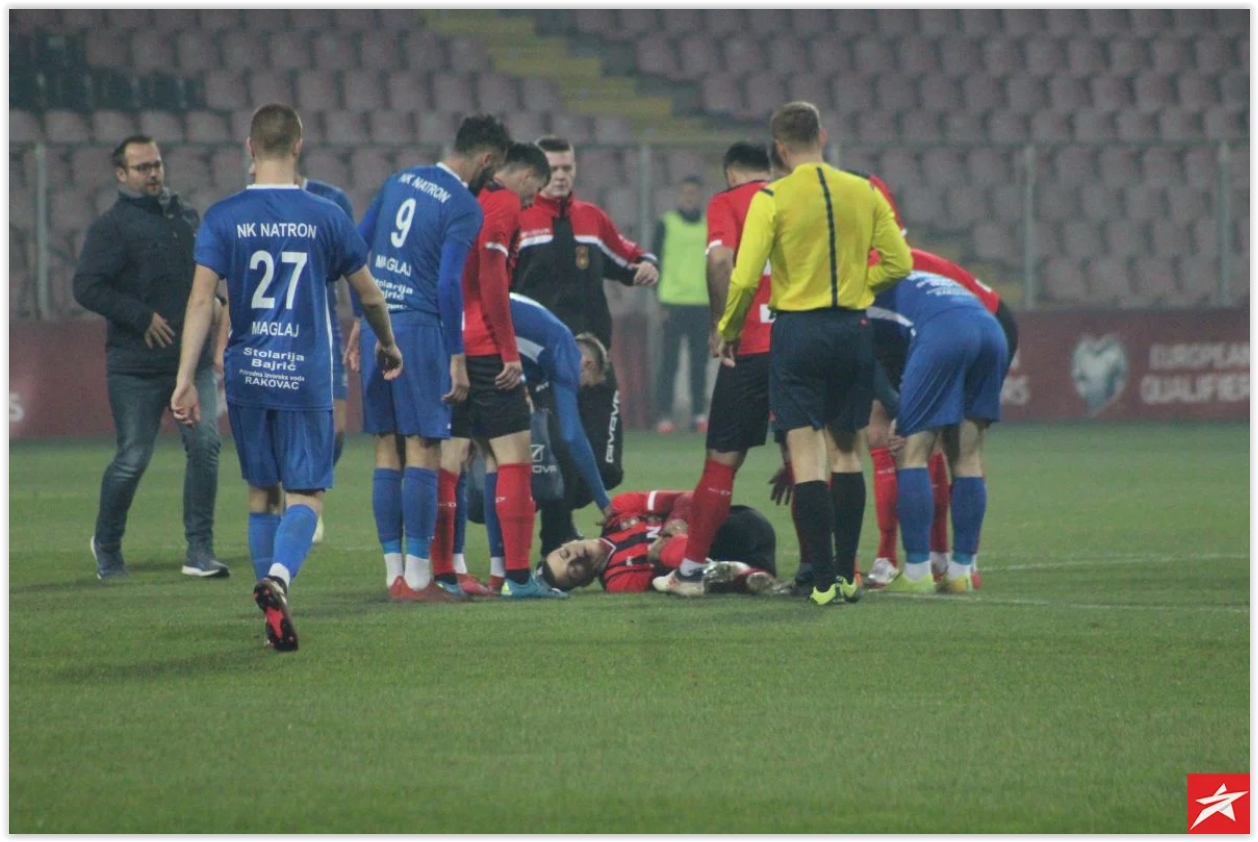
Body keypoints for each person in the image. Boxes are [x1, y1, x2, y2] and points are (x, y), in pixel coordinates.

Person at [170, 103, 402, 651]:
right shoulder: (326, 215)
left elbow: (201, 300)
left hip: (247, 374)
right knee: (306, 494)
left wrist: (185, 377)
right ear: (299, 146)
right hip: (305, 374)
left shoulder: (223, 216)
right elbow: (369, 295)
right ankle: (278, 579)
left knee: (261, 493)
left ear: (250, 149)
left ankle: (269, 612)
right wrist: (388, 344)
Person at [716, 101, 911, 607]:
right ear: (822, 136)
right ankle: (847, 576)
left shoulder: (772, 197)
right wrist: (857, 287)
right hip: (853, 329)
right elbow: (899, 262)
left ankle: (821, 581)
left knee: (807, 455)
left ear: (779, 148)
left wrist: (729, 328)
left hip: (798, 331)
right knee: (848, 453)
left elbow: (745, 275)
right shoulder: (864, 190)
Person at [346, 113, 510, 603]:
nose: (492, 180)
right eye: (494, 169)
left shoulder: (400, 179)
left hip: (380, 324)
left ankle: (393, 574)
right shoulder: (463, 205)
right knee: (423, 447)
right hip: (419, 330)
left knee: (386, 446)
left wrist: (361, 315)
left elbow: (355, 248)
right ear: (486, 159)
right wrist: (456, 355)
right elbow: (447, 283)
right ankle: (418, 580)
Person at [72, 134, 226, 581]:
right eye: (143, 167)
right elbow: (86, 286)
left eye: (156, 164)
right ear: (121, 174)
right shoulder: (111, 227)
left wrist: (216, 304)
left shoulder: (185, 216)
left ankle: (200, 550)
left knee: (206, 446)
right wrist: (139, 316)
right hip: (135, 367)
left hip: (189, 362)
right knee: (133, 458)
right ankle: (107, 544)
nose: (153, 173)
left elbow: (202, 278)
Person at [429, 142, 566, 599]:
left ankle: (446, 575)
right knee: (514, 458)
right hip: (486, 345)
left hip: (449, 342)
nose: (530, 202)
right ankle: (518, 578)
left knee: (451, 459)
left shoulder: (465, 197)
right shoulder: (504, 202)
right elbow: (492, 278)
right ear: (526, 175)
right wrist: (510, 354)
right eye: (534, 191)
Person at [512, 135, 659, 556]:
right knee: (560, 448)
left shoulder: (592, 219)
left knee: (606, 466)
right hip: (544, 363)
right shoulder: (520, 222)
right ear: (537, 174)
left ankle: (562, 510)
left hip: (596, 364)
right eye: (553, 169)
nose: (561, 176)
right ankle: (555, 536)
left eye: (567, 168)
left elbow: (629, 256)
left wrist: (646, 265)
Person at [650, 142, 780, 598]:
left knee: (722, 463)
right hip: (796, 345)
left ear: (730, 173)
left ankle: (688, 573)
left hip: (750, 348)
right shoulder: (792, 198)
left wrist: (723, 326)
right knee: (812, 458)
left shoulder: (728, 202)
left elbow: (721, 259)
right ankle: (831, 572)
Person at [212, 167, 356, 546]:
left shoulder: (330, 200)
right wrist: (222, 337)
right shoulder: (250, 208)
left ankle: (301, 496)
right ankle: (297, 504)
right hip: (264, 335)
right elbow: (236, 282)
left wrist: (360, 318)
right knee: (269, 448)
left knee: (337, 428)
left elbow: (356, 268)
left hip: (318, 329)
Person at [449, 293, 615, 594]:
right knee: (509, 459)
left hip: (454, 334)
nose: (578, 388)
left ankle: (462, 572)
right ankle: (509, 576)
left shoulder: (540, 336)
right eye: (585, 384)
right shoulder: (565, 349)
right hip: (477, 341)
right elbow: (572, 435)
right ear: (587, 364)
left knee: (473, 456)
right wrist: (603, 500)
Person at [865, 269, 1008, 594]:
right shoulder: (914, 278)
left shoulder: (857, 295)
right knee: (967, 456)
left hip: (944, 333)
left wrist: (901, 414)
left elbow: (870, 363)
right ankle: (961, 571)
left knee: (911, 452)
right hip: (991, 331)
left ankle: (917, 571)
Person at [539, 489, 784, 595]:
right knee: (662, 558)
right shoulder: (618, 581)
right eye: (574, 570)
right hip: (755, 560)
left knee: (664, 550)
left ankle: (722, 570)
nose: (576, 558)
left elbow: (688, 497)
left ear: (568, 542)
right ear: (584, 582)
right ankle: (748, 576)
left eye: (565, 554)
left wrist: (674, 524)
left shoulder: (621, 509)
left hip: (739, 524)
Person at [652, 174, 710, 435]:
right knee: (669, 362)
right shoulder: (666, 224)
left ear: (700, 196)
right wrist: (658, 297)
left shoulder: (709, 225)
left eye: (694, 193)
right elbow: (654, 261)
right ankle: (664, 415)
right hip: (672, 302)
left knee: (699, 363)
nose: (689, 198)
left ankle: (699, 414)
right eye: (685, 193)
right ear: (678, 195)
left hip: (702, 302)